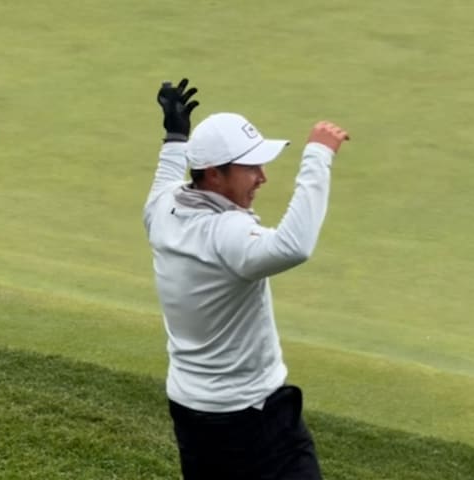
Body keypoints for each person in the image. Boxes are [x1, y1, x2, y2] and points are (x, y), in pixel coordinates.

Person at [143, 78, 349, 480]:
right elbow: (294, 245)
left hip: (191, 411)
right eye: (250, 166)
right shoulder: (225, 235)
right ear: (215, 176)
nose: (262, 176)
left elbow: (168, 173)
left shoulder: (162, 208)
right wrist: (318, 156)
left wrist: (175, 135)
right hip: (251, 419)